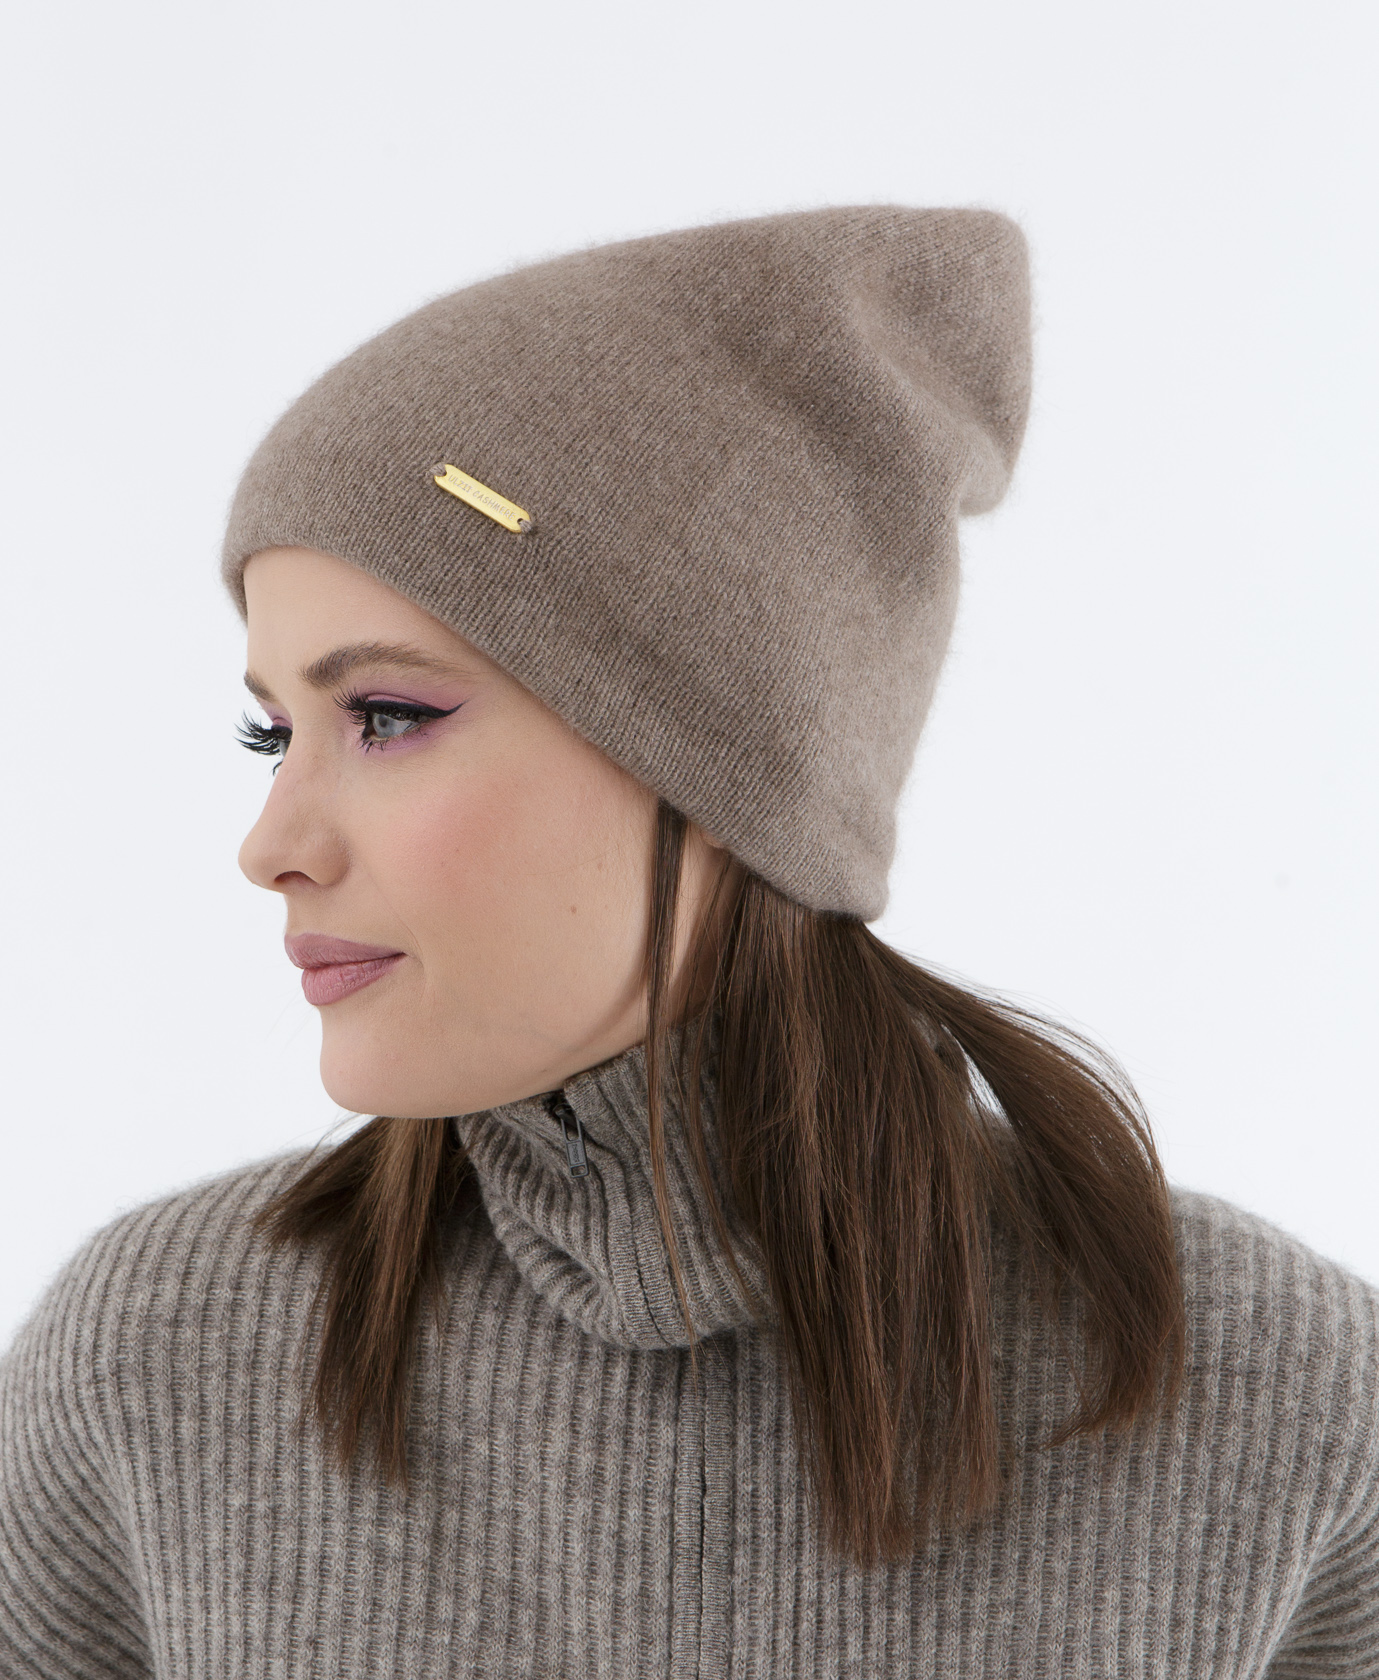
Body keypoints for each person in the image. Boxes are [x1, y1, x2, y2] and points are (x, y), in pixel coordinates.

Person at [1, 206, 1375, 1678]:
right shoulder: (153, 1359)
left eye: (386, 716)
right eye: (272, 733)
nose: (273, 842)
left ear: (732, 769)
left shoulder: (1276, 1394)